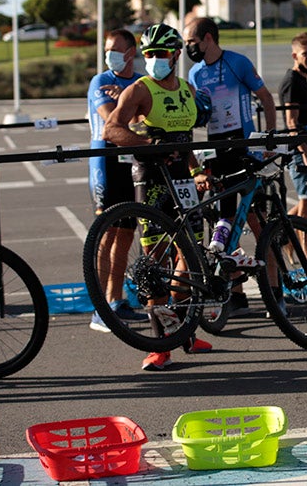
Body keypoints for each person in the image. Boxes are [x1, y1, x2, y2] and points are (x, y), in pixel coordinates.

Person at [104, 23, 213, 370]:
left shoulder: (186, 88)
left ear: (176, 55)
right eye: (148, 54)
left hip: (182, 177)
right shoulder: (139, 89)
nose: (153, 60)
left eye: (160, 54)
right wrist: (149, 144)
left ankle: (183, 330)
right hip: (151, 178)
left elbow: (185, 139)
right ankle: (160, 346)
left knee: (192, 256)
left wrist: (197, 171)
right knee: (154, 263)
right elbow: (112, 129)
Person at [185, 16, 277, 315]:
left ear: (208, 38)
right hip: (217, 148)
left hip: (244, 144)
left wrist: (268, 140)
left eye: (192, 42)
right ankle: (236, 293)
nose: (189, 48)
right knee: (225, 224)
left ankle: (275, 291)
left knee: (257, 220)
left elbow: (265, 97)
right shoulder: (196, 72)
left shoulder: (238, 62)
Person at [87, 28, 146, 331]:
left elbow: (147, 118)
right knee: (106, 235)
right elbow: (114, 121)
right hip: (106, 159)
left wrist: (131, 106)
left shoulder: (139, 83)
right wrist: (131, 107)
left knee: (125, 235)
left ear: (130, 52)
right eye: (106, 48)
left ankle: (115, 301)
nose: (108, 53)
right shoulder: (100, 81)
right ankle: (99, 309)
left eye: (114, 48)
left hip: (131, 161)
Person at [278, 32, 307, 250]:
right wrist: (306, 153)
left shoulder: (302, 80)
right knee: (306, 203)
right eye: (305, 54)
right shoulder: (291, 82)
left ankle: (281, 235)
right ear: (295, 55)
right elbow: (291, 122)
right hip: (299, 151)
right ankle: (306, 254)